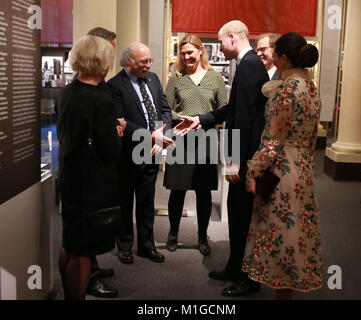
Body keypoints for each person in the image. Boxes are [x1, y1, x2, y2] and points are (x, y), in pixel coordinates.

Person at [175, 20, 269, 296]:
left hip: (244, 157)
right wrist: (202, 119)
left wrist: (233, 162)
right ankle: (234, 267)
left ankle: (246, 278)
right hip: (242, 154)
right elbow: (234, 109)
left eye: (221, 41)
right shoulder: (247, 64)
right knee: (238, 214)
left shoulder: (250, 65)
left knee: (243, 217)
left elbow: (245, 122)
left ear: (231, 37)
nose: (219, 47)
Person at [243, 32, 322, 300]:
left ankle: (283, 296)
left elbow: (273, 140)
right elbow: (311, 137)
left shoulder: (286, 90)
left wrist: (253, 171)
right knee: (296, 234)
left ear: (284, 59)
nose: (272, 59)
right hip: (303, 169)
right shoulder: (311, 88)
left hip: (282, 171)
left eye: (275, 55)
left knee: (281, 237)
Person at [57, 35, 125, 300]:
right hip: (91, 183)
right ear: (102, 61)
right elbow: (111, 150)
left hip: (70, 176)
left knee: (71, 242)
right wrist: (115, 131)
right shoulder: (100, 99)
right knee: (83, 250)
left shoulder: (68, 91)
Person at [107, 43, 173, 265]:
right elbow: (121, 120)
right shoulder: (114, 85)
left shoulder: (153, 79)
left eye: (149, 61)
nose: (148, 65)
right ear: (128, 62)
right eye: (143, 61)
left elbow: (165, 109)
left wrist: (161, 131)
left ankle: (147, 246)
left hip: (152, 152)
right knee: (124, 202)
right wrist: (150, 135)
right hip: (127, 154)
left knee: (147, 202)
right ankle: (124, 245)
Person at [163, 35, 227, 255]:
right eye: (183, 53)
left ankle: (202, 237)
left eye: (190, 52)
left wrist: (203, 120)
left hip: (206, 138)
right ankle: (173, 233)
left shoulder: (215, 78)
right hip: (180, 138)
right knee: (177, 190)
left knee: (203, 191)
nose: (187, 56)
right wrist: (181, 117)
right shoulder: (176, 78)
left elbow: (223, 109)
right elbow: (165, 108)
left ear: (201, 51)